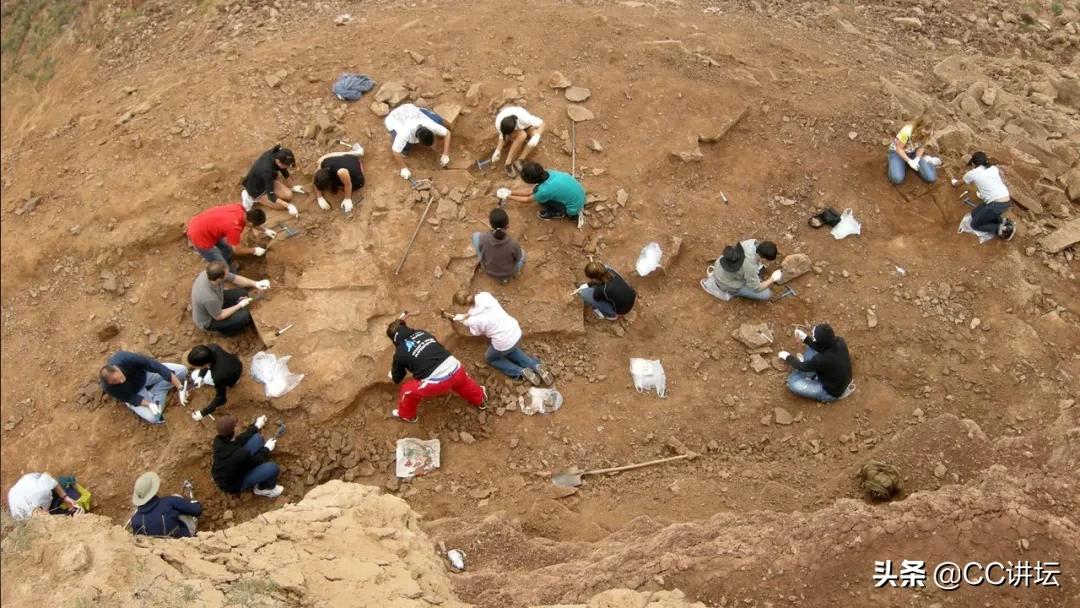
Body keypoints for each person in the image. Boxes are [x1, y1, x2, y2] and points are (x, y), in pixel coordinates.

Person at [387, 318, 487, 423]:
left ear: (394, 339)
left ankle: (407, 415)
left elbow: (397, 378)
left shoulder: (399, 354)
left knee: (407, 391)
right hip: (456, 367)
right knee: (464, 384)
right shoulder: (422, 333)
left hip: (438, 382)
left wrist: (393, 375)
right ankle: (480, 398)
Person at [450, 291, 554, 386]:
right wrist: (467, 316)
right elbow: (478, 310)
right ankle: (535, 365)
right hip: (515, 330)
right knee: (510, 349)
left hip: (503, 342)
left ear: (463, 306)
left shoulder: (473, 321)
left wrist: (466, 322)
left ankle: (519, 371)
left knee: (490, 358)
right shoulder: (484, 296)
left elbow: (476, 332)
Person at [100, 351, 188, 424]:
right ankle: (159, 392)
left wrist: (179, 387)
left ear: (116, 368)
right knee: (155, 418)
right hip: (135, 392)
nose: (121, 382)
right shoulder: (108, 387)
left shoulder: (126, 358)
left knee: (182, 371)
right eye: (116, 383)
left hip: (145, 376)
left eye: (119, 378)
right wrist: (149, 404)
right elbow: (130, 398)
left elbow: (157, 367)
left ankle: (157, 390)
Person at [777, 324, 854, 403]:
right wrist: (805, 338)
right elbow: (820, 347)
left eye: (814, 337)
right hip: (840, 379)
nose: (812, 337)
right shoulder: (839, 341)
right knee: (813, 349)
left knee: (792, 382)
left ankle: (812, 379)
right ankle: (812, 374)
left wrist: (787, 357)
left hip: (831, 392)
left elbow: (802, 366)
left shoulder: (821, 359)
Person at [211, 415, 283, 498]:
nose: (237, 426)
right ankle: (263, 489)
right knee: (272, 468)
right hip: (234, 484)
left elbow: (239, 440)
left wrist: (256, 426)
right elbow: (256, 461)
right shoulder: (240, 455)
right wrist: (267, 449)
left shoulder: (218, 441)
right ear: (234, 429)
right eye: (235, 425)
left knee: (257, 438)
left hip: (225, 472)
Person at [190, 261, 270, 335]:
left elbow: (235, 278)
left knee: (242, 293)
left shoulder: (210, 274)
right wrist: (239, 305)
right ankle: (227, 331)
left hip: (217, 302)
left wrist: (256, 283)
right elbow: (219, 316)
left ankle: (230, 312)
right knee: (244, 316)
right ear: (219, 279)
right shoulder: (209, 297)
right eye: (226, 274)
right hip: (210, 320)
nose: (228, 275)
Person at [187, 204, 274, 269]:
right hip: (198, 235)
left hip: (204, 225)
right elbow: (236, 250)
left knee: (226, 249)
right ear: (250, 223)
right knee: (220, 264)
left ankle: (229, 262)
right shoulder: (234, 228)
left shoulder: (239, 208)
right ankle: (229, 275)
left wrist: (265, 231)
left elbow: (251, 223)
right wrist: (254, 250)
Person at [384, 103, 452, 181]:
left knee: (438, 121)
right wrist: (403, 168)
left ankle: (424, 111)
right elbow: (395, 152)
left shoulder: (430, 124)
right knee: (404, 149)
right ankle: (405, 151)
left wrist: (445, 154)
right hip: (395, 118)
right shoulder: (404, 133)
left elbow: (447, 133)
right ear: (418, 140)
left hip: (409, 110)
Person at [700, 240, 782, 301]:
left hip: (720, 267)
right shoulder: (750, 266)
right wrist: (772, 278)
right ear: (763, 257)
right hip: (725, 283)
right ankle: (733, 292)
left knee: (757, 271)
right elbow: (757, 288)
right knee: (766, 294)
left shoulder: (751, 242)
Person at [500, 162, 585, 220]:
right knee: (538, 193)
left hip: (573, 208)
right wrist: (510, 192)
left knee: (542, 201)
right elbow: (531, 191)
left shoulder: (544, 191)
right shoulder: (549, 172)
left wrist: (508, 196)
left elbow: (527, 199)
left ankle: (558, 213)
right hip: (580, 196)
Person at [129, 472, 203, 538]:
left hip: (158, 549)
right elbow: (197, 510)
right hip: (182, 541)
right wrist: (194, 502)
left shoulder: (135, 520)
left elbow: (138, 538)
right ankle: (194, 533)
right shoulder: (169, 502)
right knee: (178, 501)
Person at [962, 151, 1015, 241]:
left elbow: (958, 183)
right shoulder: (993, 168)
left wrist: (953, 182)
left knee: (974, 225)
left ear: (974, 163)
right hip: (1006, 200)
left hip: (996, 204)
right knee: (975, 213)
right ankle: (1004, 221)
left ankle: (1004, 230)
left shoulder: (972, 173)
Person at [241, 144, 302, 217]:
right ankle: (249, 196)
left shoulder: (278, 154)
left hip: (266, 181)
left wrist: (293, 187)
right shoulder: (267, 171)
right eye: (286, 165)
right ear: (278, 162)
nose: (287, 167)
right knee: (282, 206)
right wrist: (289, 206)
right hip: (256, 190)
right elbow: (271, 196)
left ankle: (276, 193)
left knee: (289, 195)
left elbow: (283, 170)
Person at [186, 344, 243, 421]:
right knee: (196, 375)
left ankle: (233, 383)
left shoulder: (218, 376)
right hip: (236, 363)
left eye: (198, 366)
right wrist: (201, 376)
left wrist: (203, 413)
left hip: (232, 378)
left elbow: (221, 398)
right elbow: (208, 363)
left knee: (194, 375)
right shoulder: (212, 347)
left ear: (205, 364)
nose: (197, 368)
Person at [472, 207, 525, 281]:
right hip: (508, 273)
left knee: (475, 235)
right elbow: (518, 258)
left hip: (488, 271)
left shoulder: (482, 238)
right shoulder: (513, 244)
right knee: (522, 252)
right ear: (507, 226)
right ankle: (507, 277)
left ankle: (481, 258)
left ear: (491, 225)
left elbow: (478, 238)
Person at [490, 106, 545, 177]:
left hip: (528, 126)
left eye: (510, 135)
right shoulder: (499, 123)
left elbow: (542, 124)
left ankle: (520, 160)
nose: (510, 137)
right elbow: (502, 135)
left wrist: (537, 136)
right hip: (518, 129)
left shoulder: (525, 119)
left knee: (533, 137)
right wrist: (497, 151)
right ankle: (508, 163)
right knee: (522, 135)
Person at [6, 472, 85, 520]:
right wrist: (75, 521)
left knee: (75, 498)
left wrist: (65, 497)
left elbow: (48, 475)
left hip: (33, 483)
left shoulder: (43, 490)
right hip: (15, 493)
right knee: (70, 513)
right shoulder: (20, 518)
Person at [313, 143, 365, 213]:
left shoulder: (341, 172)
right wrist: (320, 198)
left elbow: (348, 185)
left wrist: (347, 199)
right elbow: (314, 180)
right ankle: (352, 153)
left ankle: (356, 153)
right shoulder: (323, 164)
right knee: (320, 160)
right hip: (347, 159)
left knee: (341, 189)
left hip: (357, 175)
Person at [887, 118, 939, 185]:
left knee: (931, 178)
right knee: (896, 179)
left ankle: (929, 161)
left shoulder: (928, 134)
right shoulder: (907, 131)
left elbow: (921, 147)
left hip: (912, 152)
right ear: (919, 126)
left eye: (929, 130)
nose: (927, 132)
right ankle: (894, 162)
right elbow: (898, 149)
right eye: (925, 129)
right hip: (897, 153)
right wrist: (909, 161)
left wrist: (917, 159)